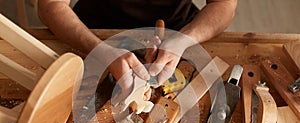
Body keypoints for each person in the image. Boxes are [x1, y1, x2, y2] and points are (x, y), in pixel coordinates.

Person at [37, 0, 237, 98]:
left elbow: (224, 4)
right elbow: (51, 5)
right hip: (92, 27)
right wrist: (100, 50)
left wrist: (183, 40)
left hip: (178, 26)